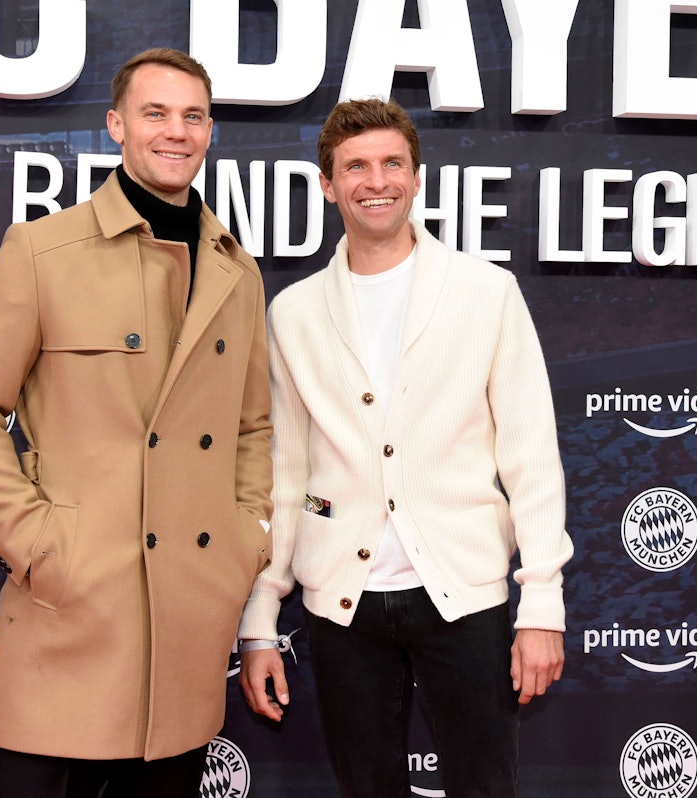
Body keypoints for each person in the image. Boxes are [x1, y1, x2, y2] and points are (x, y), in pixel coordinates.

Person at [0, 48, 273, 798]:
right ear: (117, 125)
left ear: (211, 130)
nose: (174, 132)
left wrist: (245, 538)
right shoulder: (42, 252)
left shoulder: (236, 270)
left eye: (191, 116)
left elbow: (252, 428)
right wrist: (37, 542)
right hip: (74, 613)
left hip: (188, 620)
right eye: (155, 113)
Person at [238, 98, 573, 798]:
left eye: (392, 163)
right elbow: (289, 475)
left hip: (467, 596)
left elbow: (530, 455)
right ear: (328, 185)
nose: (375, 180)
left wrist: (541, 605)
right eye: (354, 167)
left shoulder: (487, 292)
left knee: (485, 787)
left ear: (417, 177)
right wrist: (262, 613)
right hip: (341, 607)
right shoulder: (294, 313)